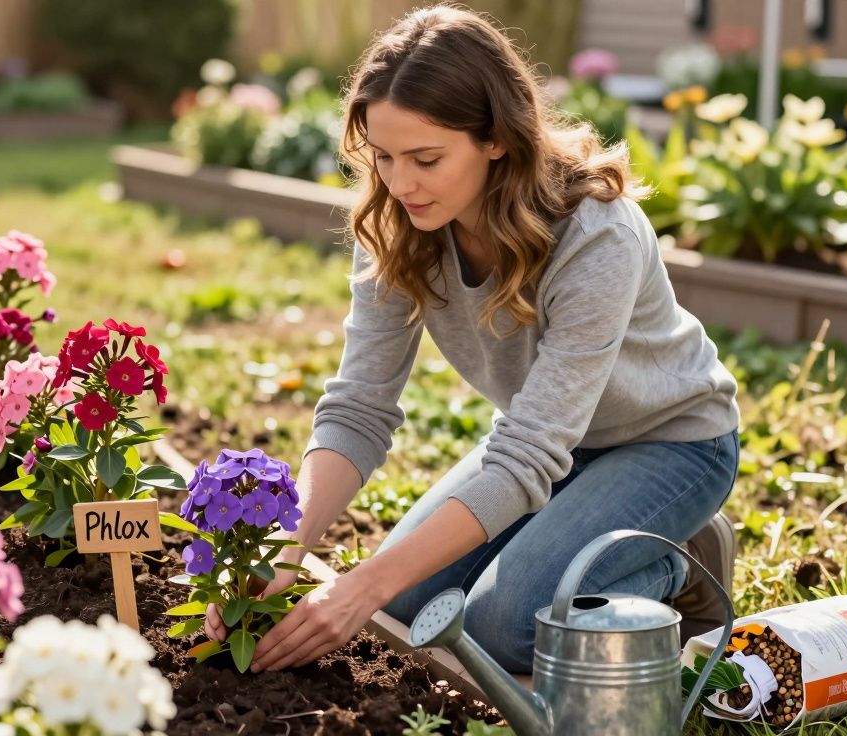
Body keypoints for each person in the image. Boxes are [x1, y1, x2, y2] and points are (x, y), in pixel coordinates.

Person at [202, 4, 741, 675]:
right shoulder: (398, 225)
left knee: (506, 625)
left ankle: (678, 565)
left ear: (495, 138)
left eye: (426, 158)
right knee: (406, 609)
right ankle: (597, 541)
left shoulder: (595, 233)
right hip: (547, 445)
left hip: (669, 443)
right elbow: (359, 408)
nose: (400, 184)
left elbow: (527, 455)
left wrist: (361, 582)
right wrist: (287, 541)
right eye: (385, 157)